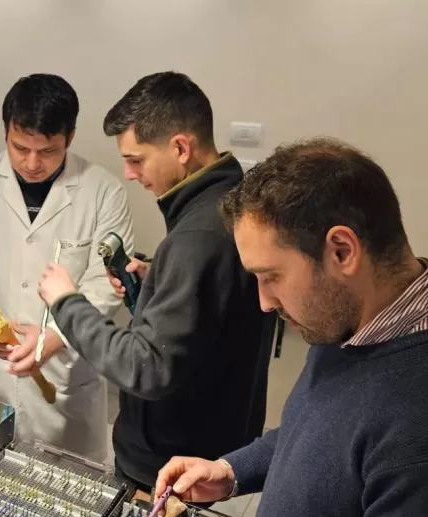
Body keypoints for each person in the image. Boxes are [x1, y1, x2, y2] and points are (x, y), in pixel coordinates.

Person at [151, 138, 428, 517]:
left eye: (272, 277)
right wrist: (230, 471)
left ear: (342, 251)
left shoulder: (422, 425)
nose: (265, 302)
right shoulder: (351, 322)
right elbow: (320, 429)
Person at [37, 72, 274, 490]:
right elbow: (209, 308)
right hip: (213, 431)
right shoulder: (233, 199)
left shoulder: (196, 237)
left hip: (170, 462)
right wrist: (157, 281)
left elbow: (144, 366)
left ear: (180, 147)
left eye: (136, 159)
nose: (129, 173)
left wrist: (66, 302)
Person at [0, 73, 135, 469]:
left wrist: (57, 335)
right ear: (6, 131)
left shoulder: (103, 192)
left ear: (70, 137)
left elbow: (105, 283)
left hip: (64, 378)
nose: (32, 163)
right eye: (20, 148)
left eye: (48, 151)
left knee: (63, 486)